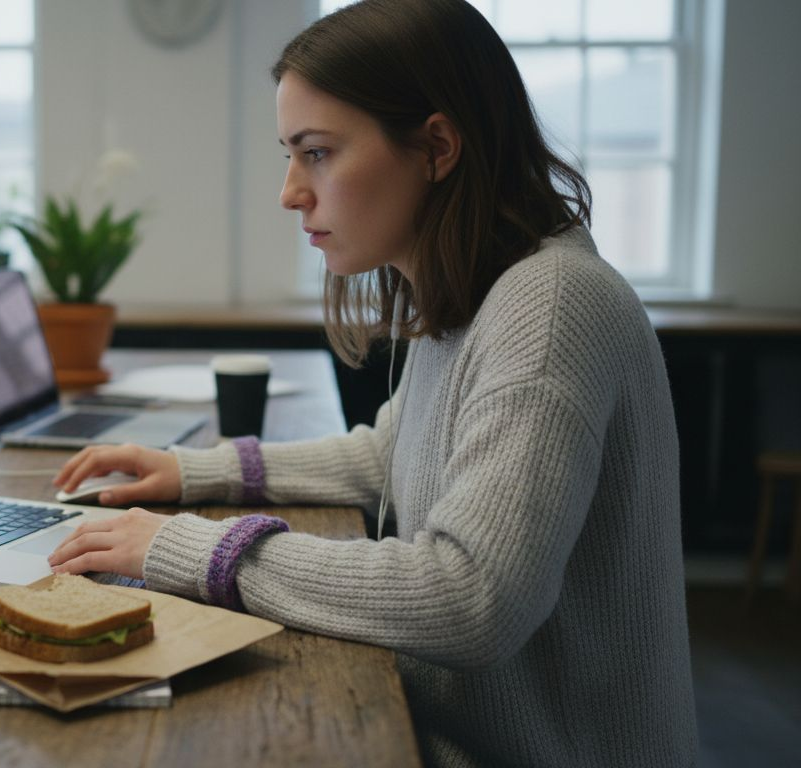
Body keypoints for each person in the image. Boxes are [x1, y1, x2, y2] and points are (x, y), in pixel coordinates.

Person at [47, 0, 697, 764]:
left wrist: (189, 550)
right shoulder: (482, 287)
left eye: (316, 152)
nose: (291, 190)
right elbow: (393, 453)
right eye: (290, 154)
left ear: (436, 147)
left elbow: (468, 596)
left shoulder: (548, 309)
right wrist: (194, 472)